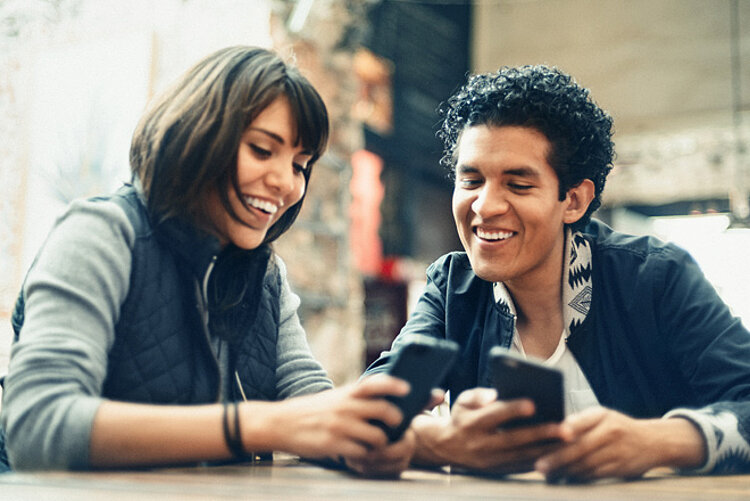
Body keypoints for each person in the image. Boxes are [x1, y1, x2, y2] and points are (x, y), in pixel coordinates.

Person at [0, 46, 412, 472]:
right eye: (262, 150)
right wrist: (255, 424)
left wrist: (418, 439)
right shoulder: (101, 233)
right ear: (197, 133)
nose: (286, 184)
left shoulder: (265, 273)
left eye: (300, 165)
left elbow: (306, 398)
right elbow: (37, 427)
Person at [364, 65, 750, 481]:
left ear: (574, 201)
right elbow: (368, 411)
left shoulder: (655, 277)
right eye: (471, 180)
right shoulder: (452, 289)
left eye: (518, 185)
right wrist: (442, 441)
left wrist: (655, 441)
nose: (484, 206)